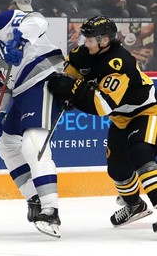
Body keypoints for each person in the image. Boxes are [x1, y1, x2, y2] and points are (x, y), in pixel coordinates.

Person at [0, 0, 65, 238]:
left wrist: (20, 39)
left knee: (33, 144)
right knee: (5, 144)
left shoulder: (6, 19)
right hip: (20, 91)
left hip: (43, 79)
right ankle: (35, 199)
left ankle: (51, 211)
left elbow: (39, 20)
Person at [47, 15, 157, 231]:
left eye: (89, 39)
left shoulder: (120, 62)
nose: (83, 42)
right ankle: (135, 206)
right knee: (117, 169)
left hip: (146, 112)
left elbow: (101, 106)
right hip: (120, 118)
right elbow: (69, 77)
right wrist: (65, 91)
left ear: (104, 40)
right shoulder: (81, 54)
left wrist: (74, 91)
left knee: (140, 154)